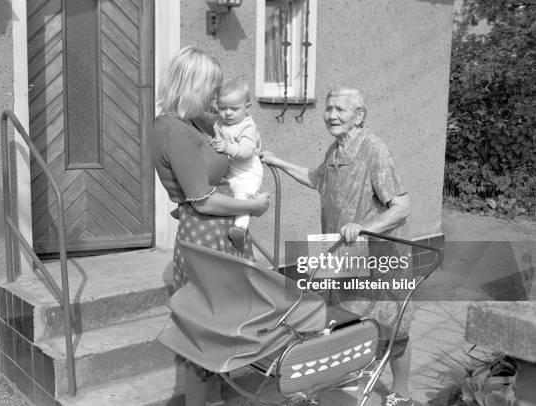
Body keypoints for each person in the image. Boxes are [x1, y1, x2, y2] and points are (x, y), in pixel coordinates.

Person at [261, 87, 415, 406]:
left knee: (393, 327)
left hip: (381, 255)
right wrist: (277, 161)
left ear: (359, 116)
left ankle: (401, 393)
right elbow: (314, 178)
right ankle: (352, 383)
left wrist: (363, 227)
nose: (331, 115)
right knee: (349, 320)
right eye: (329, 108)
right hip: (344, 254)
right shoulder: (335, 151)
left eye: (341, 109)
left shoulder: (374, 149)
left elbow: (401, 206)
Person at [153, 46, 270, 406]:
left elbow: (239, 137)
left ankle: (217, 399)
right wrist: (253, 205)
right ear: (192, 85)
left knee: (224, 327)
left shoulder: (193, 122)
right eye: (212, 89)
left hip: (218, 233)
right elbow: (202, 199)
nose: (216, 99)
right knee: (205, 330)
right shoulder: (173, 129)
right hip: (206, 235)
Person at [211, 79, 263, 250]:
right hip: (230, 171)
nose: (228, 113)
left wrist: (226, 147)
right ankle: (189, 208)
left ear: (247, 107)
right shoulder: (219, 123)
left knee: (243, 197)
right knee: (217, 190)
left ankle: (240, 229)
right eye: (223, 108)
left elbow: (246, 152)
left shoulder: (247, 126)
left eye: (234, 109)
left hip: (248, 172)